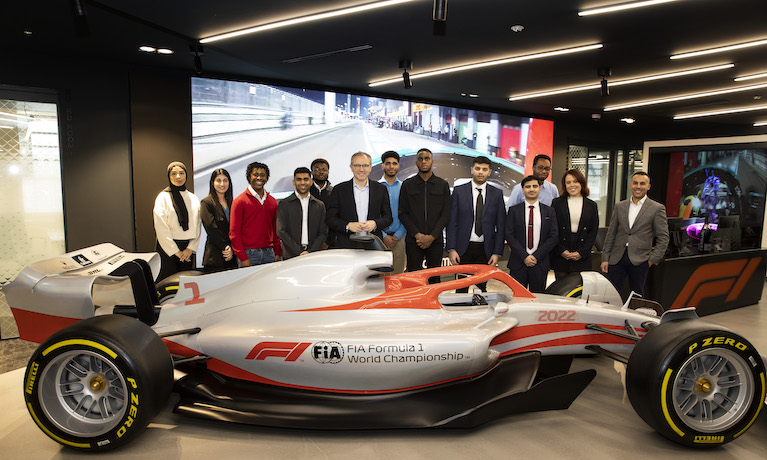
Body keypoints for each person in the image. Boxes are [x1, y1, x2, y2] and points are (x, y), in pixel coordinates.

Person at [600, 171, 669, 297]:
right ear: (631, 185)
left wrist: (652, 260)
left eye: (642, 184)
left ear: (648, 186)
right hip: (616, 258)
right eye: (635, 183)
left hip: (640, 259)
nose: (638, 186)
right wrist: (605, 258)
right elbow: (611, 233)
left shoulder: (657, 208)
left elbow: (663, 237)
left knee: (636, 296)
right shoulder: (620, 206)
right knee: (611, 294)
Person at [446, 156, 506, 292]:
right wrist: (452, 249)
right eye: (478, 168)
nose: (480, 172)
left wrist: (497, 252)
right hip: (463, 248)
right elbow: (452, 222)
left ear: (489, 172)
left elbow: (501, 225)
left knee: (481, 289)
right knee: (461, 288)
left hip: (485, 249)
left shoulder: (497, 194)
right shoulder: (459, 191)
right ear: (472, 170)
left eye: (484, 169)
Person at [399, 148, 451, 282]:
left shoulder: (442, 185)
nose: (423, 162)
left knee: (434, 279)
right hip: (413, 241)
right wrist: (418, 235)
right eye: (420, 159)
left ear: (432, 161)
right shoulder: (407, 185)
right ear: (416, 163)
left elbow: (446, 214)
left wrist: (432, 236)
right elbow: (403, 213)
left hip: (435, 241)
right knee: (414, 279)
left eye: (427, 158)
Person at [326, 152, 392, 249]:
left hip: (373, 244)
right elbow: (330, 218)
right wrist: (347, 226)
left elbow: (388, 217)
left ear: (370, 167)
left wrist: (375, 224)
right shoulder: (339, 189)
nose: (361, 169)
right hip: (346, 245)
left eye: (365, 165)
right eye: (357, 165)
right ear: (351, 167)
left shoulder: (381, 189)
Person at [505, 175, 558, 293]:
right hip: (518, 262)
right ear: (523, 190)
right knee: (517, 298)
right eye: (528, 187)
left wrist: (536, 256)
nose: (531, 189)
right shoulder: (514, 210)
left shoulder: (549, 211)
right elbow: (509, 234)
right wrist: (524, 256)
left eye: (535, 186)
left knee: (538, 299)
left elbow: (553, 236)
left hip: (540, 263)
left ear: (539, 189)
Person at [153, 161, 201, 281]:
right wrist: (176, 252)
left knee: (187, 283)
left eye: (181, 173)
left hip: (188, 249)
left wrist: (191, 248)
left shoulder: (193, 198)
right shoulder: (162, 197)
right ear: (169, 176)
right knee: (167, 283)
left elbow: (198, 225)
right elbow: (161, 228)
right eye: (174, 174)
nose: (178, 177)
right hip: (168, 249)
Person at [230, 161, 282, 267]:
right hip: (249, 253)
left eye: (262, 175)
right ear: (249, 177)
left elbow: (275, 229)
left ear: (266, 178)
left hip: (269, 253)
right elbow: (234, 234)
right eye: (255, 175)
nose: (259, 178)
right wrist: (243, 257)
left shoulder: (272, 201)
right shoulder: (239, 201)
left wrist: (277, 252)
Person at [550, 169, 599, 279]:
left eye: (575, 181)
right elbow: (553, 229)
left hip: (582, 254)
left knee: (578, 288)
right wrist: (561, 251)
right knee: (561, 289)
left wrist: (581, 252)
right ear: (564, 185)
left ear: (581, 183)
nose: (572, 185)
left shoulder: (591, 205)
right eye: (568, 182)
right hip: (561, 253)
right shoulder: (557, 203)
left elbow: (593, 231)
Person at [277, 167, 329, 259]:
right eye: (299, 179)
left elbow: (323, 232)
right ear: (294, 182)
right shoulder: (284, 204)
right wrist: (299, 252)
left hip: (313, 255)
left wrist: (310, 252)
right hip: (290, 255)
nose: (302, 183)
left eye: (305, 179)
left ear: (311, 181)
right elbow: (281, 231)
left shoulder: (319, 205)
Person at [200, 168, 238, 273]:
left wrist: (231, 248)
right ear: (212, 183)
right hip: (215, 257)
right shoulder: (206, 203)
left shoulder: (232, 203)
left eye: (225, 180)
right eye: (218, 180)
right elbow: (212, 228)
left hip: (232, 256)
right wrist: (225, 247)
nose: (222, 184)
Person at [379, 151, 407, 274]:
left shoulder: (404, 187)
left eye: (394, 163)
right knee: (380, 277)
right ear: (382, 166)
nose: (391, 166)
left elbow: (408, 213)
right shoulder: (375, 187)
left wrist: (397, 236)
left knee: (398, 277)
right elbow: (372, 214)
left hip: (400, 238)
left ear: (398, 166)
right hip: (379, 238)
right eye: (388, 163)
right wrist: (384, 236)